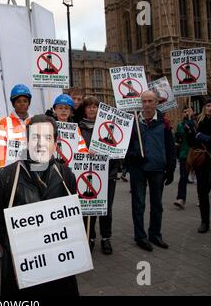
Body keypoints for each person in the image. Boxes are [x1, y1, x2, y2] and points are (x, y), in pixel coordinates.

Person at [0, 114, 79, 296]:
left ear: (55, 142)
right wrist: (14, 247)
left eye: (47, 137)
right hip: (22, 267)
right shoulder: (6, 177)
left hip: (59, 266)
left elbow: (73, 218)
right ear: (27, 140)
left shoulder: (66, 176)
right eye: (35, 137)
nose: (41, 143)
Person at [126, 90, 176, 252]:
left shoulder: (164, 122)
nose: (147, 104)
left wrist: (171, 168)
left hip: (157, 169)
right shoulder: (132, 121)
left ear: (156, 103)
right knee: (138, 204)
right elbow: (124, 147)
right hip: (138, 169)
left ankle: (155, 234)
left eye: (150, 101)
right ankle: (140, 237)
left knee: (157, 204)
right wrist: (133, 156)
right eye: (144, 101)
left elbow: (170, 147)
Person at [79, 96, 120, 255]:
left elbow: (117, 150)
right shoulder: (79, 128)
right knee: (89, 208)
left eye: (95, 107)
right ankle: (90, 237)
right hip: (87, 173)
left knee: (106, 209)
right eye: (89, 107)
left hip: (108, 173)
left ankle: (106, 238)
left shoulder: (108, 127)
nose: (91, 109)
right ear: (85, 110)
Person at [185, 97, 211, 234]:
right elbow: (193, 144)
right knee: (202, 193)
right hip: (202, 163)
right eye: (208, 106)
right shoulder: (199, 122)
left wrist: (208, 139)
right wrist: (189, 132)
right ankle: (204, 222)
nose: (209, 108)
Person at [0, 84, 31, 168]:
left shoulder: (35, 121)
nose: (22, 104)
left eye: (25, 101)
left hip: (31, 168)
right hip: (11, 168)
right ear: (13, 104)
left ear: (29, 103)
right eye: (18, 101)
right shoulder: (4, 122)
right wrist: (1, 166)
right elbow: (0, 146)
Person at [174, 109, 191, 209]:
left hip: (197, 154)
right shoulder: (181, 125)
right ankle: (181, 198)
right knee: (183, 176)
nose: (187, 113)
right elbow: (179, 138)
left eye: (189, 111)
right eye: (184, 111)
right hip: (184, 154)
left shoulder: (198, 122)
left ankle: (201, 196)